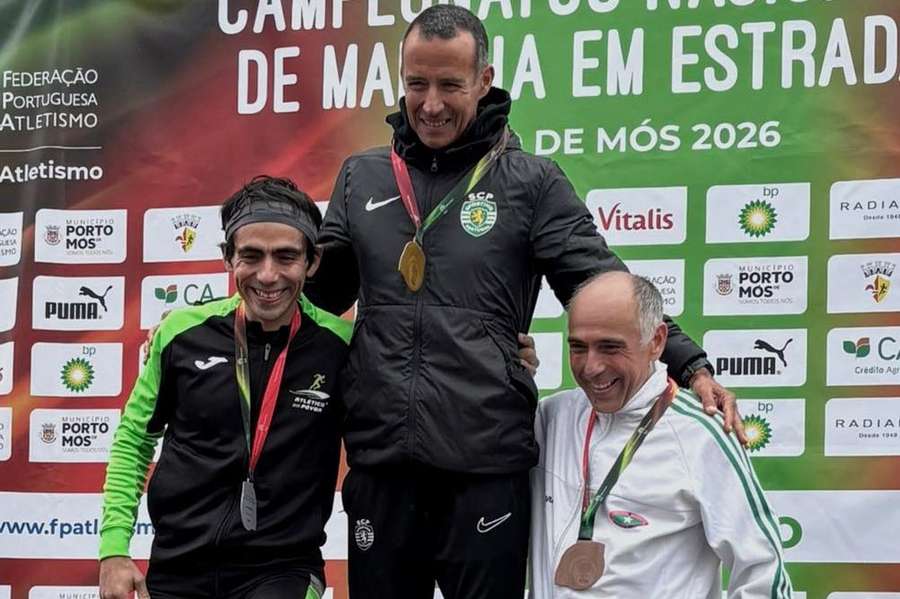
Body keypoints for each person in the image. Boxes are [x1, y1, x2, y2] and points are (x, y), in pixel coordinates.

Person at [304, 5, 745, 598]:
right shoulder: (362, 177)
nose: (430, 104)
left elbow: (605, 284)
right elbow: (314, 298)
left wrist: (690, 365)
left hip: (485, 469)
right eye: (416, 84)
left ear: (484, 80)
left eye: (450, 85)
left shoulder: (530, 183)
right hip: (383, 465)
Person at [98, 176, 351, 599]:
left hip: (282, 570)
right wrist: (113, 550)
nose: (267, 275)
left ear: (312, 261)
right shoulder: (181, 334)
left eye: (286, 256)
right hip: (178, 566)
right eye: (251, 255)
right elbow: (134, 441)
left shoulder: (342, 346)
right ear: (227, 257)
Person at [529, 271, 793, 598]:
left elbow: (763, 575)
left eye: (610, 347)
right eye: (578, 347)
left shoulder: (700, 433)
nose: (591, 367)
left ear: (656, 341)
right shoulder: (551, 418)